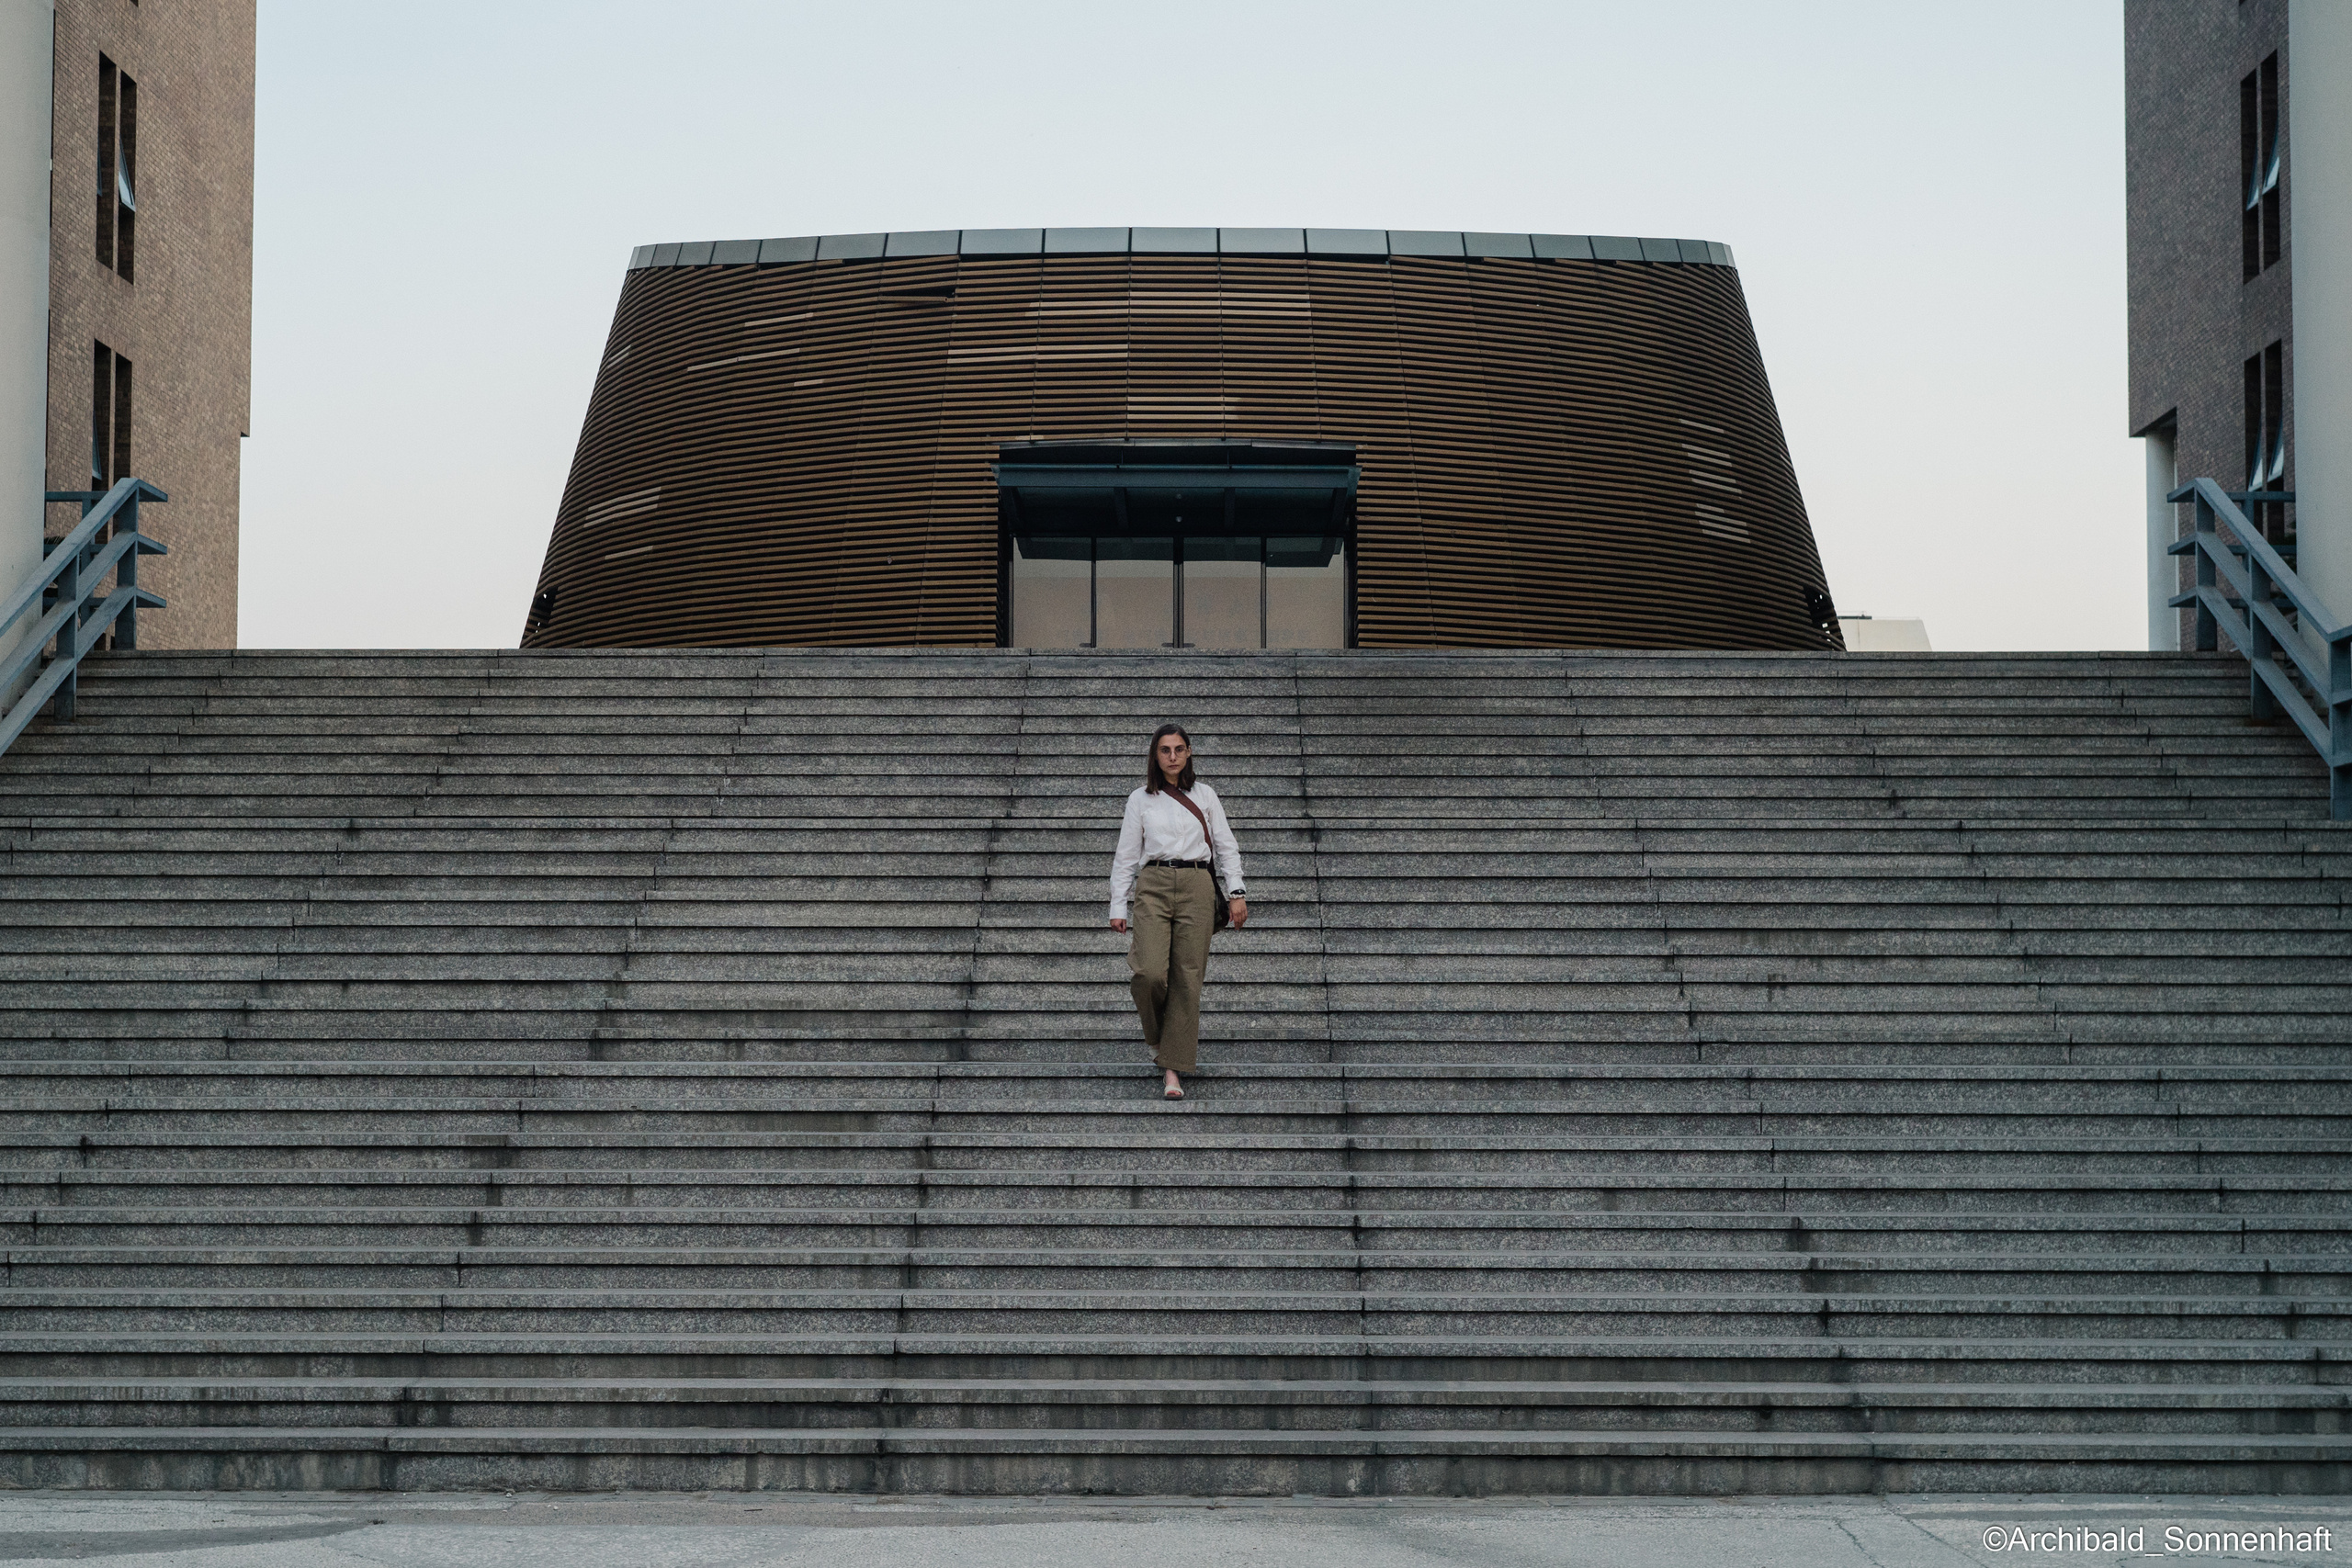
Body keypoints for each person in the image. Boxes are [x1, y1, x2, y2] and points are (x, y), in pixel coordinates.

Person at [1108, 724, 1248, 1100]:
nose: (1172, 756)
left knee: (1187, 979)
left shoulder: (1205, 795)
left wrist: (1236, 892)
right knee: (1149, 973)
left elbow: (1226, 845)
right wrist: (1117, 903)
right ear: (1156, 755)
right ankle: (1159, 1039)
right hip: (1153, 883)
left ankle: (1172, 1070)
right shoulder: (1140, 799)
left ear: (1188, 753)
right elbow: (1125, 855)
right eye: (1165, 750)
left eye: (1179, 749)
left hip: (1197, 885)